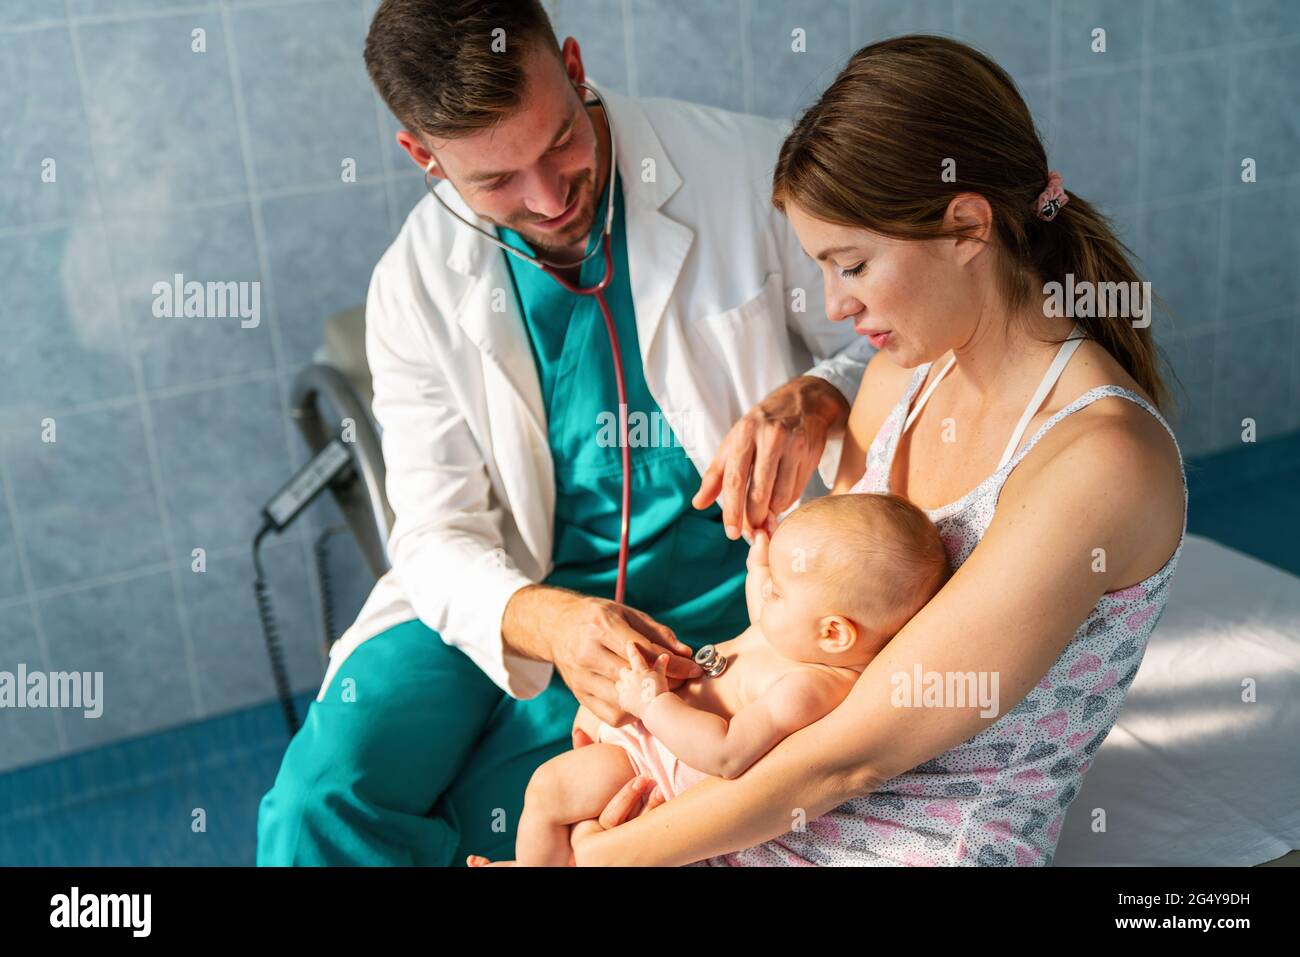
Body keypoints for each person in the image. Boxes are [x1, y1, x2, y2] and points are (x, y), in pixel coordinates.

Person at [255, 0, 874, 866]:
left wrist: (822, 393)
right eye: (496, 181)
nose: (548, 199)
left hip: (723, 598)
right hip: (505, 597)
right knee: (319, 803)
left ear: (574, 67)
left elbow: (893, 339)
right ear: (421, 156)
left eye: (557, 144)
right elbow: (435, 534)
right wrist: (546, 622)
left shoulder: (747, 170)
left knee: (530, 816)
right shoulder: (414, 284)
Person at [564, 35, 1187, 867]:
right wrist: (667, 685)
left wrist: (607, 859)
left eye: (851, 264)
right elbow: (820, 637)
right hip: (791, 798)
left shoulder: (1100, 461)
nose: (832, 304)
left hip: (918, 840)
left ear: (967, 224)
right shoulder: (905, 378)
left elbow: (846, 756)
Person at [471, 493, 950, 866]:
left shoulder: (809, 686)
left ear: (834, 632)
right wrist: (763, 556)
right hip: (649, 727)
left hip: (654, 764)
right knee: (567, 775)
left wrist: (653, 705)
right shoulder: (797, 633)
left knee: (548, 788)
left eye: (778, 590)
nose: (765, 593)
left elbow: (727, 754)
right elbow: (762, 600)